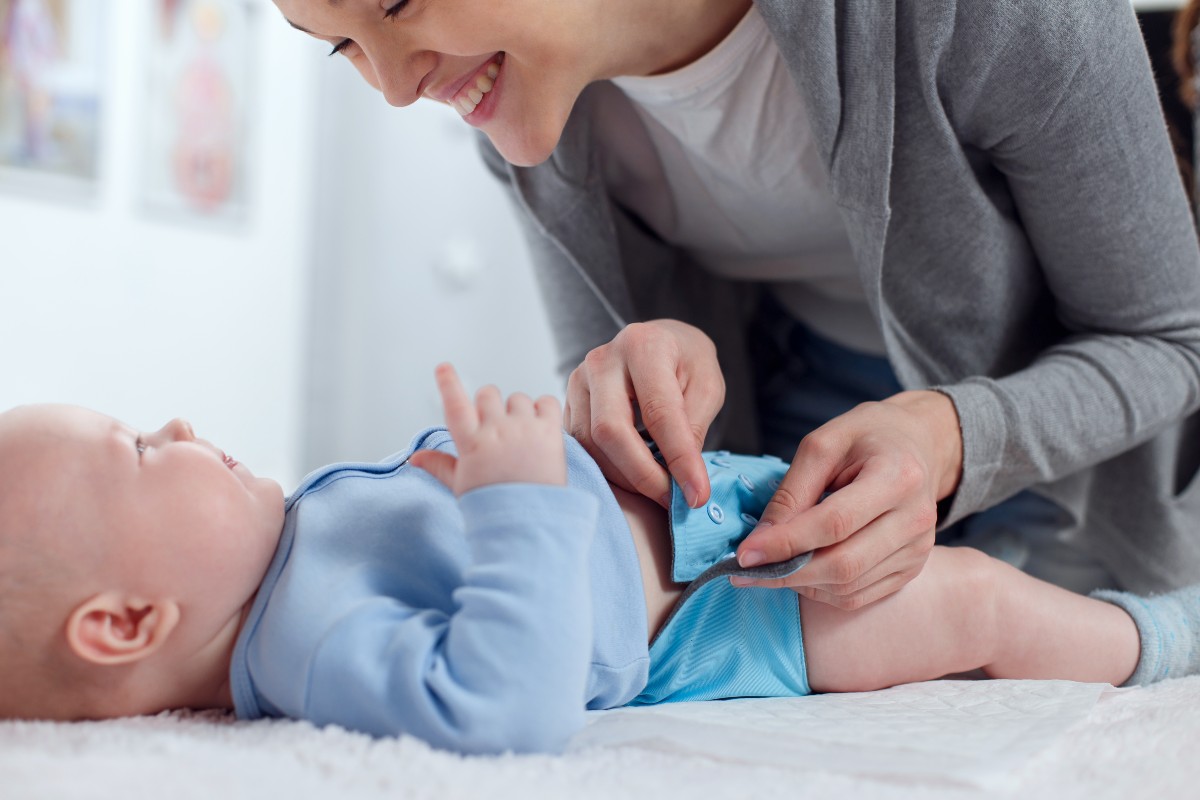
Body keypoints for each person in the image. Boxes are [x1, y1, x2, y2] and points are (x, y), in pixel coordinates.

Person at [271, 0, 1200, 610]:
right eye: (343, 47)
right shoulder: (521, 109)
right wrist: (632, 383)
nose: (395, 88)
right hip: (797, 431)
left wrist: (951, 435)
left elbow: (1170, 337)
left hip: (1072, 457)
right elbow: (622, 445)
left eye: (395, 2)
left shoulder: (993, 16)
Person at [1, 364, 1198, 756]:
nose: (174, 430)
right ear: (125, 623)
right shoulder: (306, 651)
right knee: (976, 601)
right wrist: (517, 498)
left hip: (693, 517)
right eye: (140, 455)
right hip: (723, 615)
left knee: (940, 531)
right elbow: (504, 703)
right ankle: (1161, 641)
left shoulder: (280, 559)